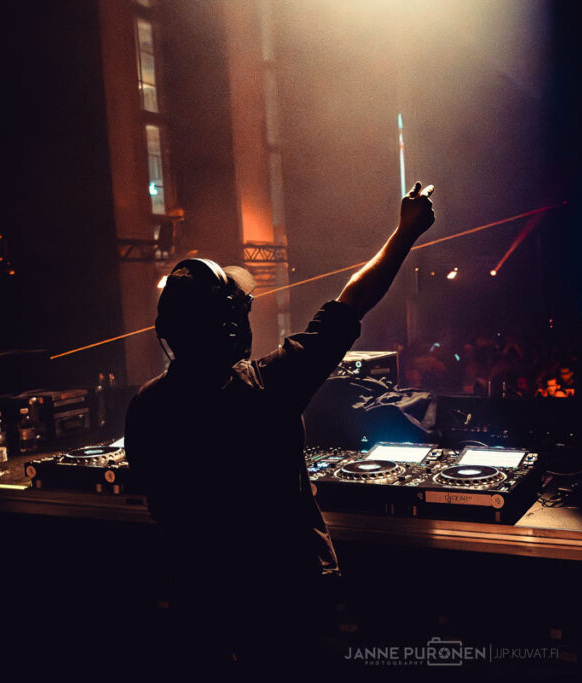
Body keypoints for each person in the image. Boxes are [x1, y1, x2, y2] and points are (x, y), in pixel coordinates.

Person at [124, 182, 436, 673]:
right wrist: (405, 232)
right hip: (287, 600)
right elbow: (352, 302)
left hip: (199, 602)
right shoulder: (268, 386)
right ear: (231, 327)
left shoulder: (145, 406)